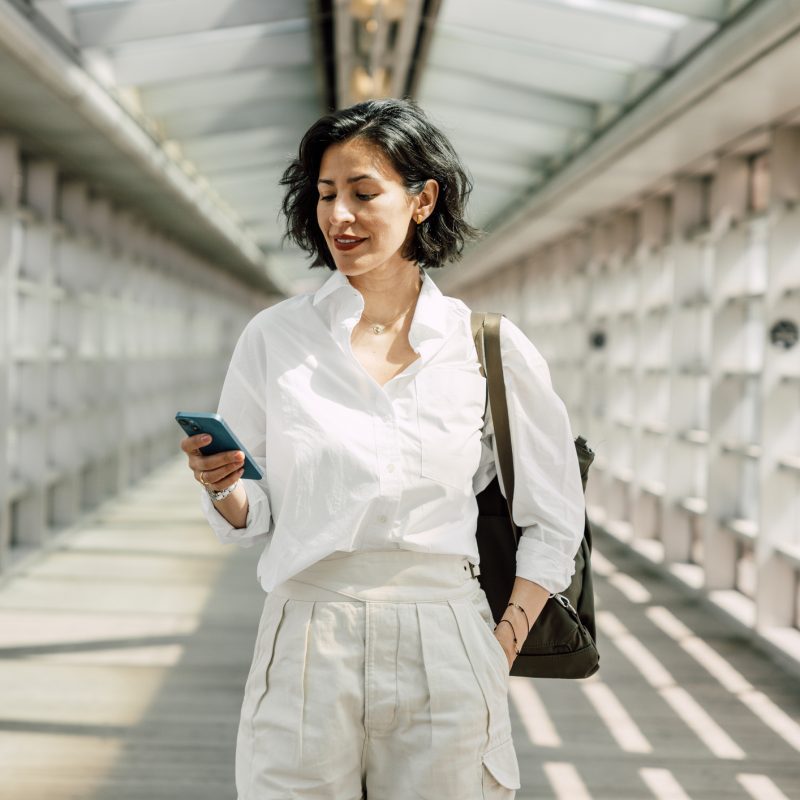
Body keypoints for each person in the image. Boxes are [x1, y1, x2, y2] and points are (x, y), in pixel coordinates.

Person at [180, 98, 586, 800]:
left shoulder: (486, 346)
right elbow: (253, 515)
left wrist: (497, 651)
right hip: (307, 626)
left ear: (423, 199)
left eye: (364, 194)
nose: (340, 216)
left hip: (447, 632)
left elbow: (552, 520)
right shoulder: (275, 339)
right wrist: (223, 484)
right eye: (326, 195)